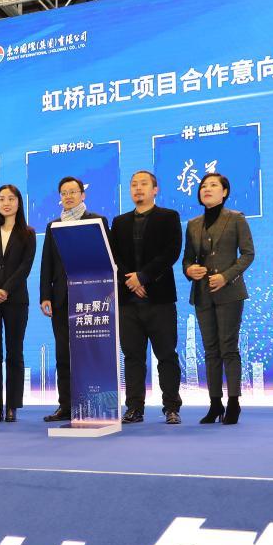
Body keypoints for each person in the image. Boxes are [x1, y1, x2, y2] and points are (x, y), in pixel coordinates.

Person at [109, 171, 183, 425]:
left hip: (159, 299)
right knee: (132, 357)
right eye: (134, 185)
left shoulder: (169, 217)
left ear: (155, 189)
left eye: (143, 184)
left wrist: (143, 277)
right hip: (128, 301)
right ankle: (134, 408)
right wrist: (130, 281)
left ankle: (171, 407)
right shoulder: (119, 222)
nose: (138, 188)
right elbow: (114, 257)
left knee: (166, 355)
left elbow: (171, 252)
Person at [182, 173, 255, 425]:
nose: (207, 189)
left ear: (224, 192)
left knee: (228, 347)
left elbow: (248, 254)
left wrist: (226, 276)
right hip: (202, 294)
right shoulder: (193, 224)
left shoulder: (236, 219)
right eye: (203, 186)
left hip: (230, 292)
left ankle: (234, 402)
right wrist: (190, 270)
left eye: (213, 185)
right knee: (210, 350)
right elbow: (187, 259)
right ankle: (215, 404)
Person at [39, 176, 107, 422]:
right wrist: (45, 295)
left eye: (73, 192)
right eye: (64, 193)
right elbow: (47, 263)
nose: (68, 197)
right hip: (61, 298)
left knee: (90, 353)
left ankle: (94, 405)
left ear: (82, 195)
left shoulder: (97, 221)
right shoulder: (53, 226)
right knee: (63, 354)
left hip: (91, 299)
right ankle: (66, 406)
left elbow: (106, 259)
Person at [0, 184, 36, 423]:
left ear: (19, 202)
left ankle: (12, 406)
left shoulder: (28, 233)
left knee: (14, 353)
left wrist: (6, 290)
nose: (6, 203)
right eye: (1, 199)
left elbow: (25, 267)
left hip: (16, 299)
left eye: (11, 198)